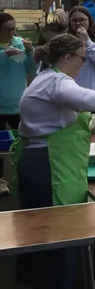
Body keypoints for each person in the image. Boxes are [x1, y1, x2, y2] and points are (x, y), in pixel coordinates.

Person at [13, 34, 95, 289]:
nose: (83, 64)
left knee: (40, 230)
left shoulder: (45, 80)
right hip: (50, 166)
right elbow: (83, 98)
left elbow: (65, 118)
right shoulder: (57, 81)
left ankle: (38, 279)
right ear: (67, 57)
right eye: (81, 59)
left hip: (43, 162)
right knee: (60, 230)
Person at [0, 13, 35, 196]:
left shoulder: (19, 43)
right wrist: (4, 56)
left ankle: (24, 177)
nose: (12, 32)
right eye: (8, 29)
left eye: (14, 28)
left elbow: (31, 68)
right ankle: (0, 180)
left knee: (24, 141)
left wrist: (30, 52)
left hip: (18, 102)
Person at [68, 6, 95, 96]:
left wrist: (88, 41)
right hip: (74, 91)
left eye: (82, 20)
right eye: (74, 20)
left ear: (89, 20)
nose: (78, 23)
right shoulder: (66, 39)